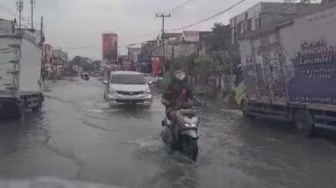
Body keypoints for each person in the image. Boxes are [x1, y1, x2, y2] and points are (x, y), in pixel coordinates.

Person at [161, 69, 194, 149]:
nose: (180, 77)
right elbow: (163, 99)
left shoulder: (188, 87)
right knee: (175, 116)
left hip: (185, 110)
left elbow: (192, 98)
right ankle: (173, 137)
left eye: (181, 75)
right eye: (178, 75)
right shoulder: (170, 87)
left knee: (195, 117)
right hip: (172, 109)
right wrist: (167, 102)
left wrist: (193, 102)